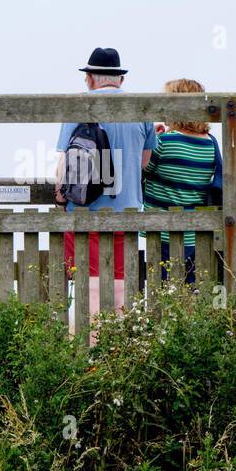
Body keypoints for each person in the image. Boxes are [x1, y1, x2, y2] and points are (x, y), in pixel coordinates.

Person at [54, 48, 157, 315]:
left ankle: (89, 342)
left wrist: (60, 195)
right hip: (128, 209)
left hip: (85, 210)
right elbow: (144, 163)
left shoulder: (78, 107)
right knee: (122, 278)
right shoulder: (141, 109)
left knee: (87, 279)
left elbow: (65, 163)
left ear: (89, 79)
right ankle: (120, 341)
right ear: (120, 79)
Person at [143, 79, 220, 285]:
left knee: (162, 292)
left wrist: (151, 139)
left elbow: (143, 170)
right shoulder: (211, 143)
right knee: (190, 293)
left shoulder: (165, 142)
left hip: (161, 232)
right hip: (195, 234)